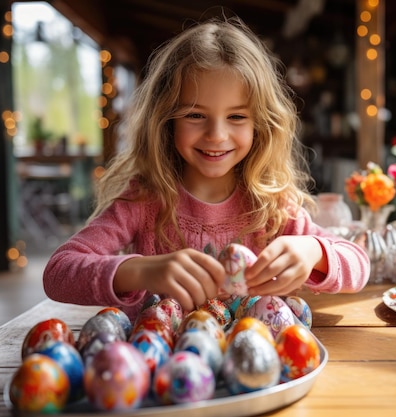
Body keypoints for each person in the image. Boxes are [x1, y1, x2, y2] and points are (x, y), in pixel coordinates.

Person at [43, 17, 370, 322]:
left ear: (261, 125)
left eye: (237, 117)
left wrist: (313, 251)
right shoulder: (144, 200)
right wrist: (143, 271)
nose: (216, 135)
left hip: (257, 380)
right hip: (163, 375)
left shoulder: (273, 207)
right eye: (195, 115)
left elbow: (359, 264)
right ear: (166, 121)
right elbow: (58, 273)